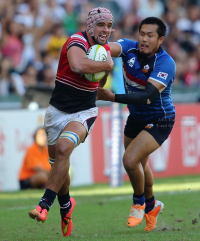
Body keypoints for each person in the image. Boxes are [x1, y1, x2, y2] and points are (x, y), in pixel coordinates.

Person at [28, 7, 114, 237]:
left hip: (84, 111)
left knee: (65, 148)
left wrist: (105, 69)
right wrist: (106, 65)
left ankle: (43, 206)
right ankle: (66, 206)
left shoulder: (104, 50)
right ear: (90, 26)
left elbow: (99, 83)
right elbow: (78, 66)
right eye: (101, 25)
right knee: (58, 162)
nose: (106, 29)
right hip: (56, 112)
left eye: (109, 25)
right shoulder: (76, 41)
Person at [97, 17, 176, 232]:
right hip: (136, 117)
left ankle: (138, 203)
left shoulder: (165, 62)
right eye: (142, 34)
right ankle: (152, 206)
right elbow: (107, 48)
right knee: (140, 165)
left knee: (130, 161)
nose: (144, 39)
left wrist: (112, 97)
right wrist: (93, 44)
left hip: (160, 119)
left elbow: (148, 96)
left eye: (150, 36)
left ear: (160, 39)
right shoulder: (128, 48)